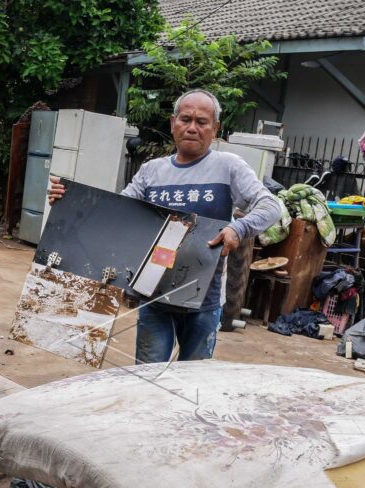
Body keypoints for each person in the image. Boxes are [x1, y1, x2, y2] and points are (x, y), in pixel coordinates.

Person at [48, 88, 281, 364]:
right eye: (185, 119)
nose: (192, 127)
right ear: (173, 124)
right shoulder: (152, 171)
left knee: (190, 380)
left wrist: (238, 229)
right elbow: (117, 213)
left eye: (202, 122)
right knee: (147, 377)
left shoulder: (228, 167)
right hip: (153, 294)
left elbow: (271, 206)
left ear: (215, 128)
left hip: (203, 300)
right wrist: (71, 204)